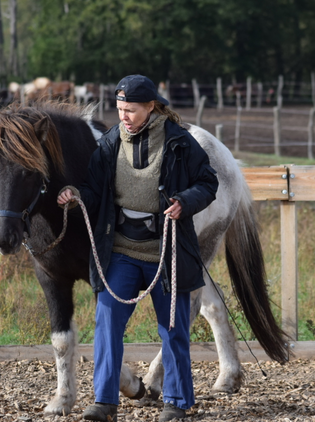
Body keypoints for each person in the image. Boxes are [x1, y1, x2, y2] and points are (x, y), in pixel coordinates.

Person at [57, 74, 218, 422]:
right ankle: (104, 402)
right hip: (122, 251)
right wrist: (76, 196)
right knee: (107, 320)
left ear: (151, 106)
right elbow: (94, 189)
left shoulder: (179, 142)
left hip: (166, 250)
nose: (123, 116)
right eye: (119, 109)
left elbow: (208, 182)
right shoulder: (111, 142)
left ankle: (175, 402)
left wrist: (185, 202)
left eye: (130, 109)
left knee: (173, 327)